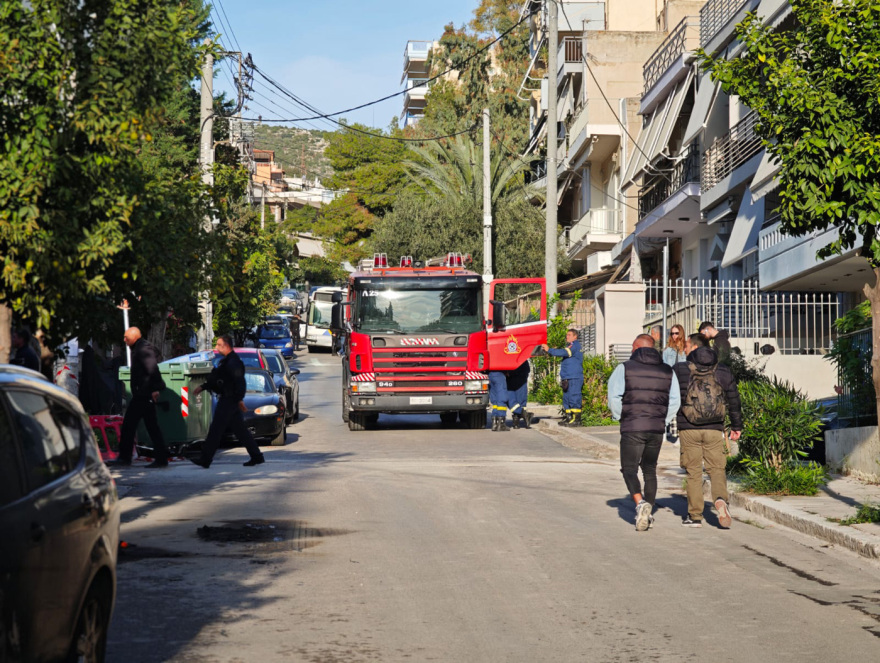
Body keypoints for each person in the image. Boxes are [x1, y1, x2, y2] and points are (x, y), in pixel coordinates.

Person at [607, 334, 681, 531]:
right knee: (650, 469)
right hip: (655, 429)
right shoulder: (668, 371)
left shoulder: (624, 368)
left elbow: (614, 396)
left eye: (633, 347)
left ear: (637, 347)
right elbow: (675, 400)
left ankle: (640, 504)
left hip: (633, 426)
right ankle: (647, 510)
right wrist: (663, 420)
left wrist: (620, 416)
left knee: (629, 469)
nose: (631, 351)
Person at [674, 333, 742, 528]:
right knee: (717, 469)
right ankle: (720, 501)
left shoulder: (680, 370)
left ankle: (695, 516)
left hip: (688, 428)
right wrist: (736, 426)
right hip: (714, 428)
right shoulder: (723, 371)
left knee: (694, 471)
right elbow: (734, 401)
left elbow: (671, 396)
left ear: (693, 349)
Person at [190, 334, 265, 468]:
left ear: (225, 346)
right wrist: (203, 387)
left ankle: (205, 459)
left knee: (216, 429)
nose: (216, 347)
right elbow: (219, 380)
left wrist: (239, 399)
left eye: (218, 345)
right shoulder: (227, 361)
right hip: (229, 400)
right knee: (241, 431)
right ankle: (257, 456)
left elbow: (240, 382)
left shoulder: (233, 362)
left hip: (229, 400)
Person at [110, 327, 169, 468]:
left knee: (129, 426)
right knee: (151, 427)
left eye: (126, 337)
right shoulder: (140, 348)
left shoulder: (143, 349)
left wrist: (155, 389)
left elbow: (152, 369)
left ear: (134, 337)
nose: (124, 340)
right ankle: (161, 458)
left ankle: (125, 458)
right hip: (143, 394)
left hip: (143, 395)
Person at [542, 329, 584, 427]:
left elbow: (564, 352)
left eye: (569, 335)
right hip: (567, 377)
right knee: (567, 399)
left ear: (575, 336)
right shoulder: (569, 345)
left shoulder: (575, 345)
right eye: (567, 335)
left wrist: (549, 350)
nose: (567, 337)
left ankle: (576, 420)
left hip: (574, 377)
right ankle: (568, 417)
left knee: (574, 398)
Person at [507, 360, 533, 429]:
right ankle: (523, 416)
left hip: (515, 372)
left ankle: (517, 420)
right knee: (518, 399)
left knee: (515, 399)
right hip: (519, 371)